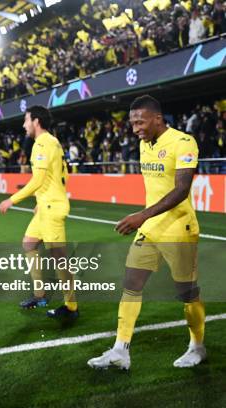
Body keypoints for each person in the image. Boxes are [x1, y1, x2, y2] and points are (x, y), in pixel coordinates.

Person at [88, 95, 205, 370]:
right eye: (132, 123)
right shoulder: (143, 145)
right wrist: (145, 220)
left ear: (157, 118)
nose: (135, 128)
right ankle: (120, 350)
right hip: (151, 229)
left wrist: (142, 215)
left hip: (179, 229)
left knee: (187, 292)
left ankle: (197, 347)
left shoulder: (183, 142)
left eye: (140, 122)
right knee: (131, 283)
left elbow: (181, 189)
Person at [0, 106, 77, 319]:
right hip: (45, 205)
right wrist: (42, 199)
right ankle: (39, 294)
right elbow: (63, 174)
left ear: (36, 121)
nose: (24, 125)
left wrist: (11, 200)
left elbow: (38, 180)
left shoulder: (42, 143)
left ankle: (71, 306)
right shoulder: (52, 142)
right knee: (29, 243)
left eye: (26, 120)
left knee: (59, 258)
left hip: (51, 208)